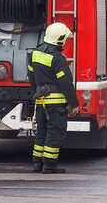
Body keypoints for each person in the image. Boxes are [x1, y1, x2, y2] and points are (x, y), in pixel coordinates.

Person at [27, 22, 79, 174]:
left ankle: (37, 163)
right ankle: (49, 165)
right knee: (55, 132)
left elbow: (31, 78)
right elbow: (66, 84)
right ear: (60, 39)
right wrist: (74, 104)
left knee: (41, 132)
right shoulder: (57, 58)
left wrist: (35, 94)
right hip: (55, 104)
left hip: (41, 100)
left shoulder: (34, 54)